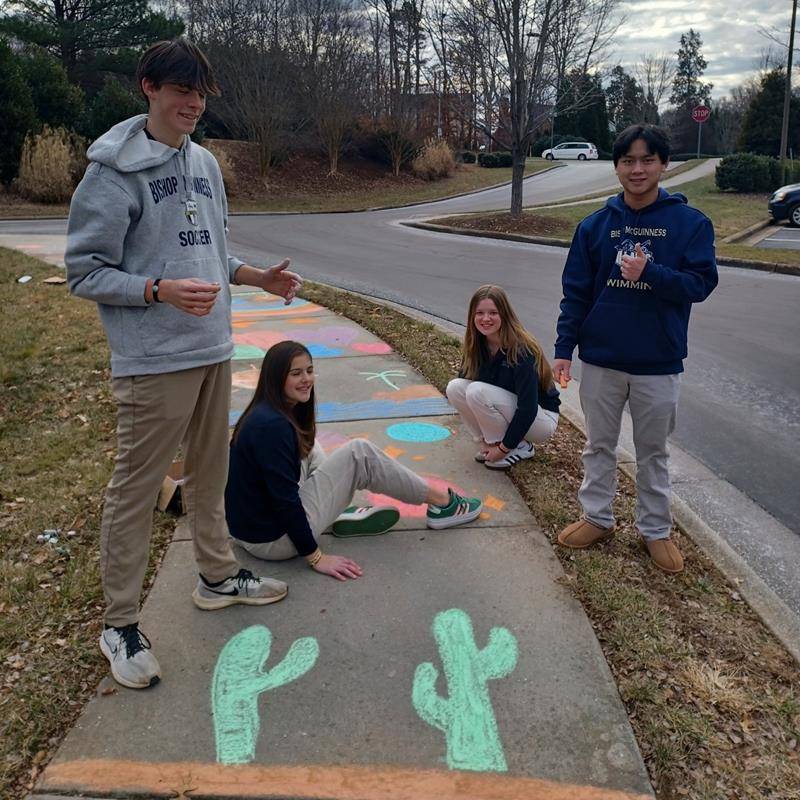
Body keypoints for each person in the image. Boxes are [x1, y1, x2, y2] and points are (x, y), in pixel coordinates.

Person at [65, 38, 302, 690]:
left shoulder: (203, 163)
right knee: (136, 490)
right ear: (149, 87)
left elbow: (208, 257)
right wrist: (155, 291)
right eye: (180, 89)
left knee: (210, 473)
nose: (192, 103)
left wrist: (255, 276)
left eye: (199, 92)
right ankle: (119, 623)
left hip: (212, 350)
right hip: (152, 360)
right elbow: (84, 273)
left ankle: (218, 576)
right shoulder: (112, 174)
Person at [552, 124, 718, 574]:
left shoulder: (690, 225)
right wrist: (565, 347)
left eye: (647, 160)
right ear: (617, 166)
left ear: (664, 164)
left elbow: (700, 284)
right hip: (602, 360)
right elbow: (576, 294)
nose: (637, 169)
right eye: (628, 160)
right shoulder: (594, 227)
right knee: (598, 445)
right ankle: (597, 518)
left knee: (653, 452)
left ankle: (655, 530)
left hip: (657, 363)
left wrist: (652, 272)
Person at [225, 341, 484, 580]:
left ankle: (331, 510)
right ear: (275, 377)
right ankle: (444, 504)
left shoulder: (265, 412)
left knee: (311, 447)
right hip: (274, 540)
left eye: (309, 370)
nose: (306, 379)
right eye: (296, 373)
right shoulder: (273, 426)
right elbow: (284, 501)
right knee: (359, 454)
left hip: (251, 530)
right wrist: (316, 557)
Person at [445, 285, 561, 470]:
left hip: (541, 418)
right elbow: (466, 389)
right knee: (455, 388)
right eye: (479, 313)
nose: (485, 318)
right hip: (511, 409)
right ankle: (488, 443)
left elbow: (528, 408)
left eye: (493, 313)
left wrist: (503, 449)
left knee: (477, 391)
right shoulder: (477, 344)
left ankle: (517, 446)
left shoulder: (521, 349)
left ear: (504, 314)